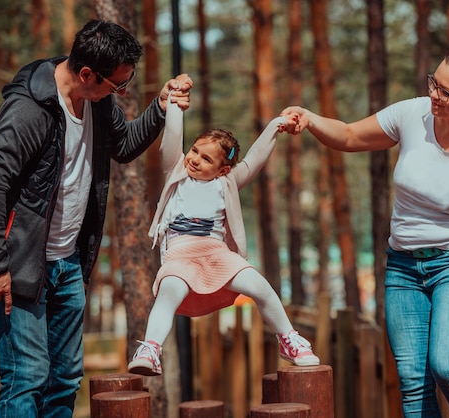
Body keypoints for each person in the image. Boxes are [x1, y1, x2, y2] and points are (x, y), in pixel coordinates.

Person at [280, 46, 449, 417]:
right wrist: (310, 118)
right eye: (433, 83)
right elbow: (348, 135)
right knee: (413, 382)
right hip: (404, 267)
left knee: (448, 367)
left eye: (445, 91)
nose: (433, 95)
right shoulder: (412, 115)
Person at [0, 19, 193, 418]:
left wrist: (159, 107)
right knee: (27, 379)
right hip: (20, 267)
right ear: (87, 73)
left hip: (68, 263)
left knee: (66, 379)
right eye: (117, 85)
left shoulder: (97, 99)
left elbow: (123, 145)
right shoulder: (29, 110)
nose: (120, 92)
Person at [126, 90, 320, 377]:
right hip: (180, 254)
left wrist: (276, 125)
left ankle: (288, 338)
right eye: (194, 151)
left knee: (260, 286)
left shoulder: (226, 183)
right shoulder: (176, 172)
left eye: (206, 159)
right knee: (168, 293)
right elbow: (172, 138)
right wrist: (177, 104)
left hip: (217, 254)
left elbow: (254, 160)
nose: (194, 159)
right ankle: (151, 349)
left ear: (222, 169)